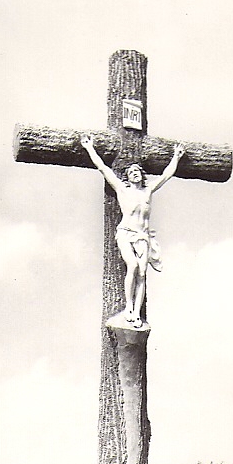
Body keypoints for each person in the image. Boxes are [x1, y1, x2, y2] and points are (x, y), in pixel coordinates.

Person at [81, 135, 185, 327]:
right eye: (131, 172)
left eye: (137, 171)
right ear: (127, 177)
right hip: (126, 232)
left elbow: (166, 175)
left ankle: (136, 312)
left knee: (143, 273)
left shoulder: (148, 190)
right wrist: (89, 148)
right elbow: (103, 168)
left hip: (143, 236)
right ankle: (129, 306)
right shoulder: (122, 189)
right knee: (133, 266)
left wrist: (176, 157)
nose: (135, 173)